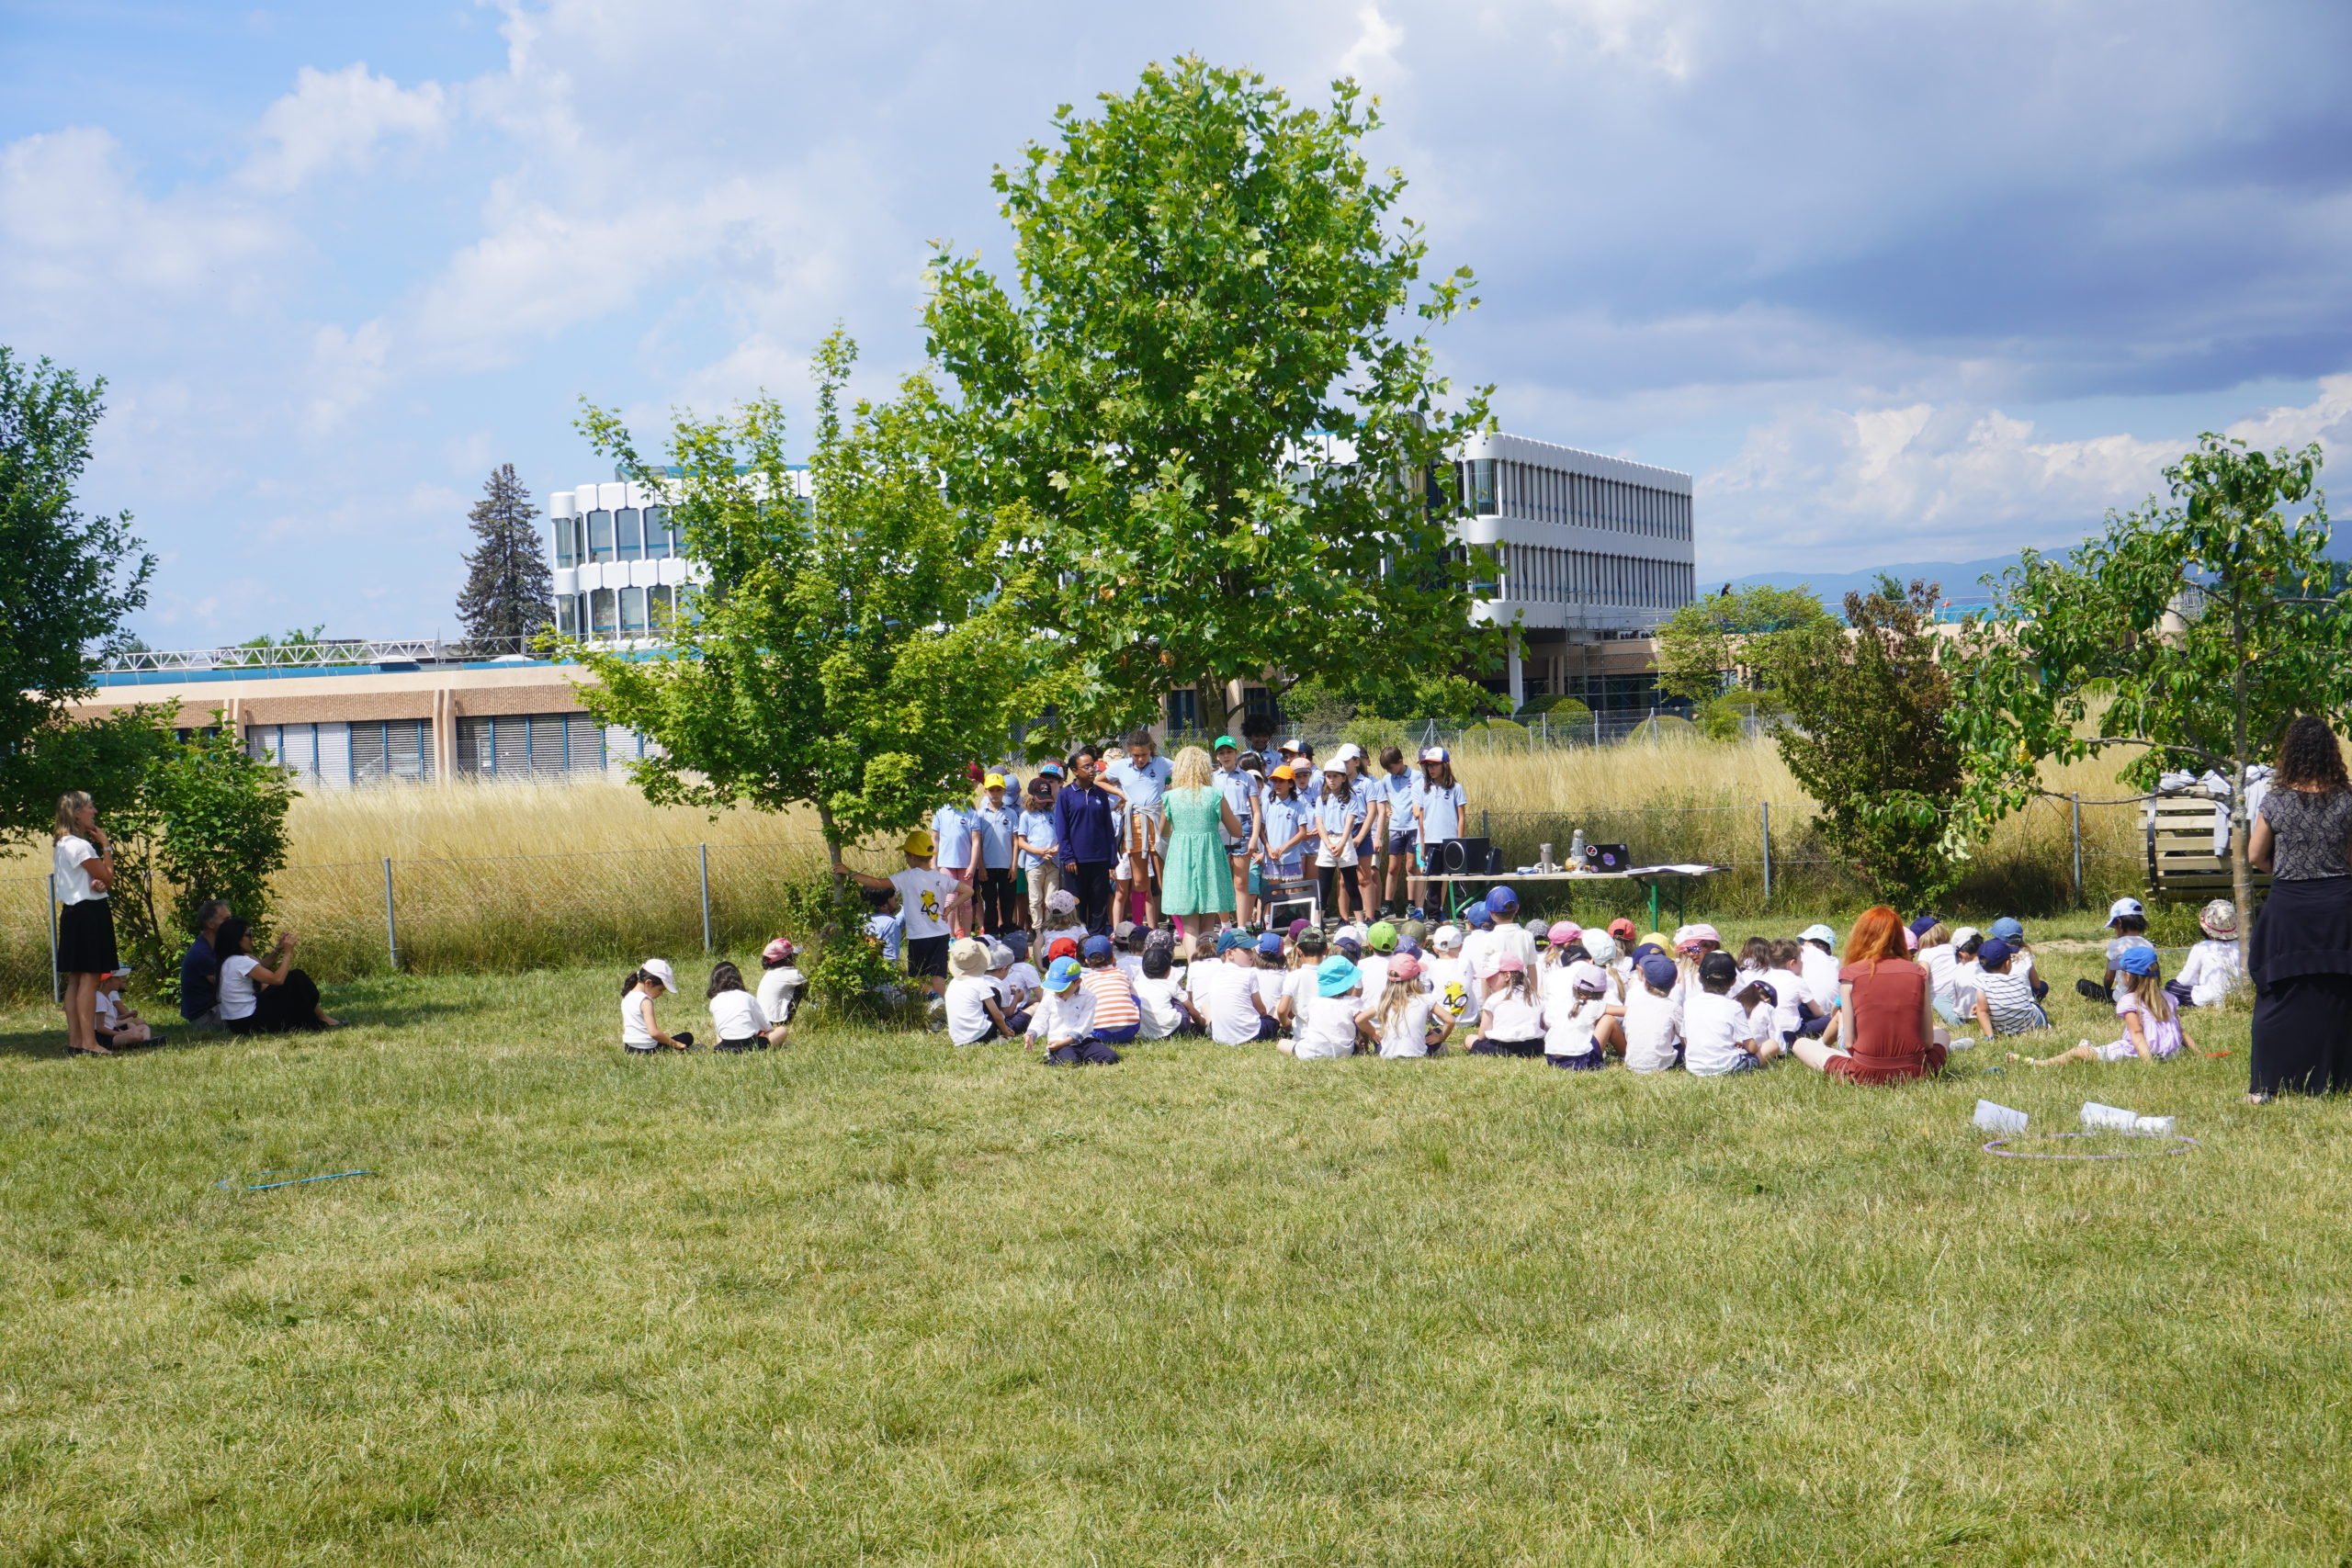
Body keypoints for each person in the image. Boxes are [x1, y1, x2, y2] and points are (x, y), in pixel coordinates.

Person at [2246, 714, 2352, 1099]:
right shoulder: (2346, 799)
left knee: (2278, 995)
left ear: (2290, 752)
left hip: (2289, 906)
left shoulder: (2276, 801)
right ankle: (2335, 1081)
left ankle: (2268, 1084)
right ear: (2330, 752)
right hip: (2339, 906)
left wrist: (2287, 870)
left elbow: (2256, 855)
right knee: (2337, 996)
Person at [1792, 906, 1946, 1083]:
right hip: (1915, 1071)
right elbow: (1928, 1042)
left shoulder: (1850, 974)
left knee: (1800, 1044)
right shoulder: (1919, 973)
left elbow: (1850, 1043)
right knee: (1943, 1034)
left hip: (1864, 1073)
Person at [831, 829, 968, 998]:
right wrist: (950, 908)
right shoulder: (941, 877)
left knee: (914, 977)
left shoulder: (908, 876)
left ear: (911, 856)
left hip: (919, 936)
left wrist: (849, 872)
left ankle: (925, 1004)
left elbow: (877, 883)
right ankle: (942, 1007)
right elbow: (967, 891)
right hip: (941, 934)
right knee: (938, 976)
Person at [2018, 945, 2194, 1066]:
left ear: (2127, 975)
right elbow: (2181, 1031)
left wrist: (2149, 1064)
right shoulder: (2168, 997)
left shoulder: (2129, 1000)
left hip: (2139, 1052)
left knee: (2079, 1052)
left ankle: (2040, 1063)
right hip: (2173, 1052)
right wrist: (2198, 1054)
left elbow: (2137, 1034)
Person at [51, 791, 119, 1056]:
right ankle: (90, 1043)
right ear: (77, 813)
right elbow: (109, 878)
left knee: (76, 980)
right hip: (90, 914)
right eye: (90, 807)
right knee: (90, 980)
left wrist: (96, 882)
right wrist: (106, 845)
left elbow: (90, 879)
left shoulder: (62, 844)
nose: (95, 811)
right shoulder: (82, 846)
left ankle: (76, 1042)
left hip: (72, 913)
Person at [1159, 745, 1245, 938]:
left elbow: (1163, 831)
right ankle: (1207, 963)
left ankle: (1193, 964)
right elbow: (1236, 831)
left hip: (1181, 857)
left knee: (1189, 923)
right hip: (1210, 857)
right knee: (1209, 916)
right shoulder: (1214, 794)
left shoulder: (1170, 797)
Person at [213, 917, 338, 1035]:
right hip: (251, 1023)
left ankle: (318, 1017)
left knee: (293, 981)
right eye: (248, 935)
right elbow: (277, 980)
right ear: (236, 938)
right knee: (296, 978)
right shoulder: (240, 961)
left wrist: (278, 949)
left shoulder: (227, 960)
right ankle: (320, 1018)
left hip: (237, 1025)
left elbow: (260, 967)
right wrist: (288, 953)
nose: (252, 939)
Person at [1105, 729, 1172, 927]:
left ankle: (1177, 925)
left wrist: (1172, 792)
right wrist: (1120, 792)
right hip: (1133, 821)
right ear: (1129, 753)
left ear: (1151, 750)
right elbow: (1099, 780)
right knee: (1140, 881)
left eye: (1144, 754)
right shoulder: (1122, 766)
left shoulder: (1162, 763)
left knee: (1164, 878)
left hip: (1158, 821)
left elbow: (1184, 771)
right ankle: (1137, 927)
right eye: (1136, 755)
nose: (1140, 759)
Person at [1052, 748, 1123, 934]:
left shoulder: (1099, 793)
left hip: (1100, 860)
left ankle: (1098, 944)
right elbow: (1062, 828)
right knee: (1078, 904)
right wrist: (1068, 856)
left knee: (1099, 904)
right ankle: (1080, 941)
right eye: (1086, 766)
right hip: (1075, 861)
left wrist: (1111, 860)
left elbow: (1108, 828)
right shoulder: (1066, 795)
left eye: (1092, 765)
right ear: (1075, 771)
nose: (1091, 769)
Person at [1683, 951, 1781, 1075]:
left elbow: (1685, 1038)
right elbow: (1751, 1048)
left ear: (1699, 978)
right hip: (1728, 1068)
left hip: (1694, 1068)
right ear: (1734, 981)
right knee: (1772, 1044)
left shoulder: (1689, 1004)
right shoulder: (1734, 1007)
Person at [1189, 930, 1281, 1044]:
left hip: (1219, 1036)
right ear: (1229, 953)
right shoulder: (1249, 974)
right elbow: (1261, 1010)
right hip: (1250, 1035)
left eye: (1252, 950)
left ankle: (1212, 1028)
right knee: (1278, 1004)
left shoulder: (1216, 974)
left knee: (1205, 1004)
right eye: (1246, 950)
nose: (1251, 954)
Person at [1211, 737, 1263, 925]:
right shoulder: (1212, 778)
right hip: (1219, 826)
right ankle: (1225, 925)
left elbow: (1256, 811)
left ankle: (1241, 926)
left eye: (1229, 752)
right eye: (1221, 752)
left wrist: (1254, 838)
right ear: (1217, 756)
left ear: (1236, 753)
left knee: (1241, 882)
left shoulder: (1247, 777)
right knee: (1221, 881)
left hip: (1243, 825)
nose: (1226, 756)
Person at [1363, 953, 1453, 1057]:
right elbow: (1450, 1021)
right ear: (1416, 978)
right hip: (1419, 1054)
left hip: (1388, 1054)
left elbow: (1359, 1020)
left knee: (1380, 1040)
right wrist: (1441, 1037)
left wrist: (1373, 1032)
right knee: (1436, 1031)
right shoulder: (1425, 998)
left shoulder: (1384, 1001)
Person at [1408, 747, 1465, 912]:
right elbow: (1421, 818)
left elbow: (1461, 817)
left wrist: (1459, 842)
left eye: (1434, 765)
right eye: (1428, 765)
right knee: (1433, 881)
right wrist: (1422, 844)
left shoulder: (1456, 787)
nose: (1430, 769)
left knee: (1456, 879)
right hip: (1430, 840)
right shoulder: (1421, 787)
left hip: (1451, 840)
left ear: (1445, 765)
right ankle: (1433, 916)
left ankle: (1460, 914)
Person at [945, 937, 1029, 1045]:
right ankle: (996, 1039)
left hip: (958, 1037)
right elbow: (997, 1015)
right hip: (979, 1034)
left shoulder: (953, 982)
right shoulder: (980, 983)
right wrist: (1005, 1031)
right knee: (1031, 1010)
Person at [1036, 956, 1119, 1065]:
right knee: (1070, 1062)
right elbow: (1040, 1019)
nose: (1059, 993)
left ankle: (1079, 1057)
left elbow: (1084, 1025)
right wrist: (1032, 1033)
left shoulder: (1088, 997)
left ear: (1078, 982)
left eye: (1063, 988)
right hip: (1060, 1042)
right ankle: (1056, 1057)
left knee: (1111, 1057)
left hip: (1084, 1041)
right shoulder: (1051, 998)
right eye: (1056, 989)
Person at [1255, 764, 1315, 916]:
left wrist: (1283, 848)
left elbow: (1302, 832)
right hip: (1272, 856)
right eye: (1274, 781)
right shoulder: (1268, 803)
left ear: (1290, 784)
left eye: (1281, 781)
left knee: (1295, 890)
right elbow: (1261, 829)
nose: (1277, 784)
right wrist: (1268, 848)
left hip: (1291, 856)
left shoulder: (1297, 805)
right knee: (1273, 890)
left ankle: (1301, 921)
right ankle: (1268, 922)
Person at [970, 774, 1021, 935]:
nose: (995, 793)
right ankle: (991, 932)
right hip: (988, 866)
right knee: (990, 901)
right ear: (985, 791)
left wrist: (1014, 865)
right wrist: (981, 867)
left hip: (1006, 865)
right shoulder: (979, 814)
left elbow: (1015, 841)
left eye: (999, 790)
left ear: (1004, 791)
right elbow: (977, 842)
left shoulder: (1011, 813)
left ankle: (1008, 930)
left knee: (1008, 900)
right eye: (991, 790)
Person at [1287, 954, 1364, 1060]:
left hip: (1312, 1051)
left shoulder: (1314, 1002)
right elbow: (1362, 1023)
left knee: (1282, 1044)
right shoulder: (1353, 1002)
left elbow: (1303, 1017)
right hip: (1345, 1052)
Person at [2079, 898, 2155, 1004]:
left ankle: (2107, 997)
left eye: (2114, 926)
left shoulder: (2116, 945)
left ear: (2119, 923)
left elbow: (2109, 977)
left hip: (2124, 999)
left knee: (2082, 984)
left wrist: (2105, 992)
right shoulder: (2148, 945)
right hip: (2147, 999)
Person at [1470, 952, 1546, 1056]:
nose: (1487, 981)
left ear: (1507, 976)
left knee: (1469, 1039)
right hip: (1534, 1047)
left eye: (1491, 977)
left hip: (1501, 1047)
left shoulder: (1493, 1000)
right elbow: (1542, 1027)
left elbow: (1482, 1036)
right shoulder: (1534, 997)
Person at [1970, 938, 2050, 1036]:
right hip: (2031, 1024)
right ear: (2007, 963)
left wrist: (1990, 1037)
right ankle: (2047, 1025)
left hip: (2002, 1029)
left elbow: (1982, 1011)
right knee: (2036, 1006)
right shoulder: (2018, 977)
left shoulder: (1981, 981)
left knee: (1981, 1008)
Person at [2172, 899, 2244, 1009]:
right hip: (2237, 995)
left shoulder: (2202, 947)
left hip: (2207, 997)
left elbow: (2185, 980)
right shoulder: (2241, 946)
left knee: (2172, 986)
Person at [1619, 953, 1684, 1073]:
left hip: (1632, 1063)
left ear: (1645, 982)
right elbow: (1685, 1037)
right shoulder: (1673, 1008)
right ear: (1674, 984)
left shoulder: (1633, 1005)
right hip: (1663, 1065)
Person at [1542, 960, 1611, 1069]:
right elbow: (1625, 1011)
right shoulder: (1594, 1005)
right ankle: (1624, 1053)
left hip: (1553, 1058)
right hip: (1581, 1061)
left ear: (1574, 987)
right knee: (1608, 1020)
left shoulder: (1564, 1002)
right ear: (1603, 992)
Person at [1014, 776, 1062, 934]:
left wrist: (1057, 848)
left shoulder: (1052, 813)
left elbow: (1061, 835)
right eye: (1039, 800)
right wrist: (1038, 851)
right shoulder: (1026, 816)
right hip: (1034, 863)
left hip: (1053, 862)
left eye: (1045, 800)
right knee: (1035, 899)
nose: (1042, 802)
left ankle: (1050, 929)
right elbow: (1021, 841)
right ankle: (1037, 931)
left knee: (1051, 899)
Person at [1375, 746, 1419, 919]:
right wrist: (1386, 808)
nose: (1389, 771)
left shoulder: (1416, 776)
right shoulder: (1387, 779)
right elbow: (1381, 798)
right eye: (1386, 769)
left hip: (1413, 826)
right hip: (1395, 827)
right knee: (1393, 867)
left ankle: (1412, 904)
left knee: (1411, 866)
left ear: (1400, 761)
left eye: (1391, 767)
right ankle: (1388, 905)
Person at [707, 961, 788, 1051]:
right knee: (782, 1030)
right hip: (749, 1045)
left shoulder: (714, 1001)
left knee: (718, 1035)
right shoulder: (747, 997)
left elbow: (720, 1030)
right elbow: (765, 1026)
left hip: (726, 1046)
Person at [178, 898, 232, 1030]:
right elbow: (228, 986)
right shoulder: (202, 953)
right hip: (205, 1017)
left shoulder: (216, 945)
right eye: (226, 920)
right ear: (210, 924)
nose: (231, 924)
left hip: (216, 1007)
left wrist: (276, 951)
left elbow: (255, 967)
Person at [620, 959, 692, 1054]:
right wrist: (676, 1044)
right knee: (687, 1037)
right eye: (660, 990)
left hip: (629, 1048)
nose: (661, 994)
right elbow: (654, 1033)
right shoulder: (645, 1001)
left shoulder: (628, 995)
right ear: (648, 983)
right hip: (648, 1049)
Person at [1134, 942, 1201, 1040]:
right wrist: (1201, 1022)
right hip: (1175, 1030)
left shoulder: (1137, 985)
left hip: (1146, 1033)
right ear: (1169, 970)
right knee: (1178, 1002)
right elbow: (1191, 1009)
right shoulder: (1171, 985)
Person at [94, 969, 154, 1049]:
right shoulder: (100, 998)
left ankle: (145, 1043)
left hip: (113, 1032)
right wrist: (120, 1034)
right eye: (117, 978)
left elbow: (110, 1019)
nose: (120, 981)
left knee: (144, 1027)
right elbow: (100, 1028)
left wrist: (127, 1015)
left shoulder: (107, 997)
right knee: (136, 1035)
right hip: (105, 1038)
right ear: (106, 981)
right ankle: (140, 1042)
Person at [756, 937, 805, 1032]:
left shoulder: (770, 973)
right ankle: (817, 1006)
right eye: (794, 956)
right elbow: (810, 988)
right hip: (777, 1022)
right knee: (800, 988)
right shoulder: (791, 973)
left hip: (762, 1021)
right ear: (788, 960)